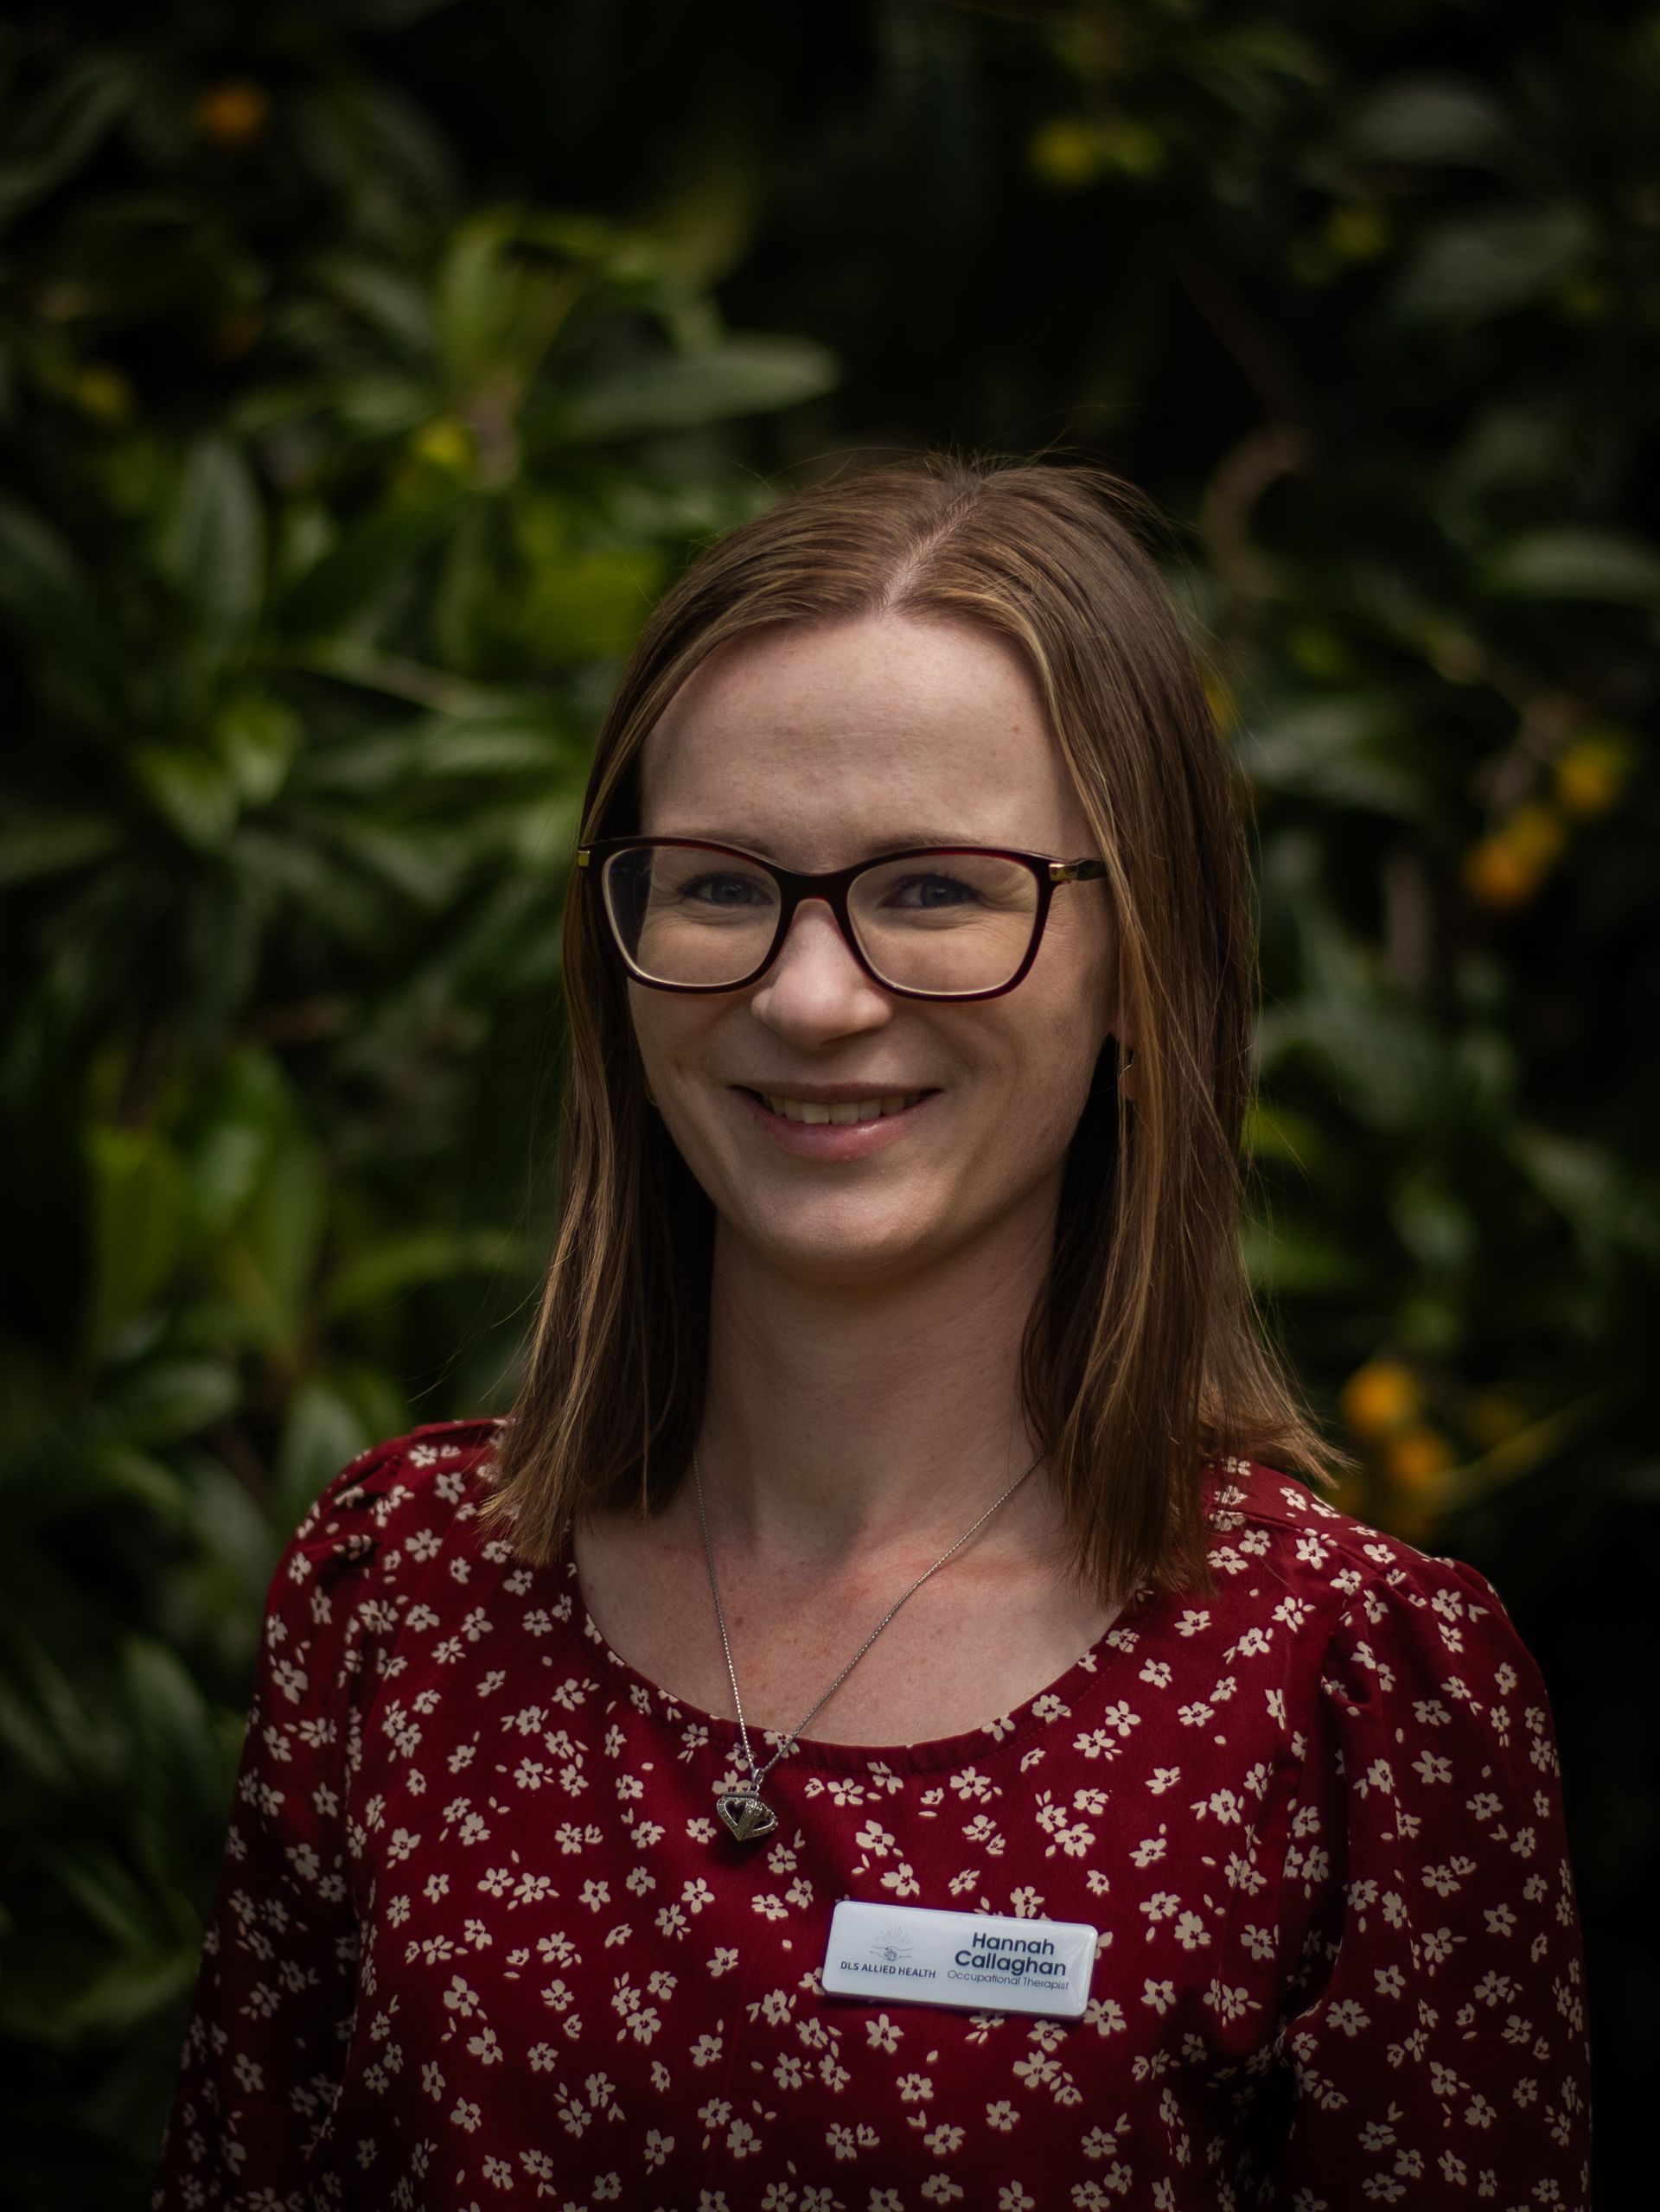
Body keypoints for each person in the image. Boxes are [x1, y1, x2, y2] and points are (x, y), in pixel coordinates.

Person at [150, 456, 1592, 2211]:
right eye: (718, 885)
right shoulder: (399, 1598)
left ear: (1144, 967)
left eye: (933, 890)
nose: (808, 996)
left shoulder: (1351, 1705)